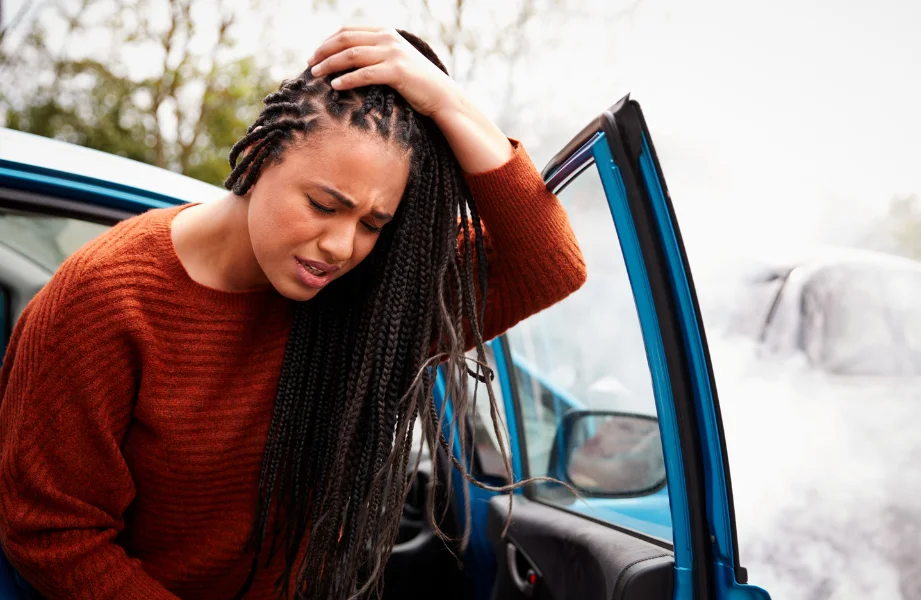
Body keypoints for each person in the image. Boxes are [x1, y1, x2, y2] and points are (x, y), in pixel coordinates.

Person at [0, 28, 586, 599]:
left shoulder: (366, 298)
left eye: (372, 224)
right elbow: (53, 534)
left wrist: (446, 101)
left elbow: (550, 263)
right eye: (324, 205)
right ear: (260, 155)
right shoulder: (104, 300)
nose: (341, 246)